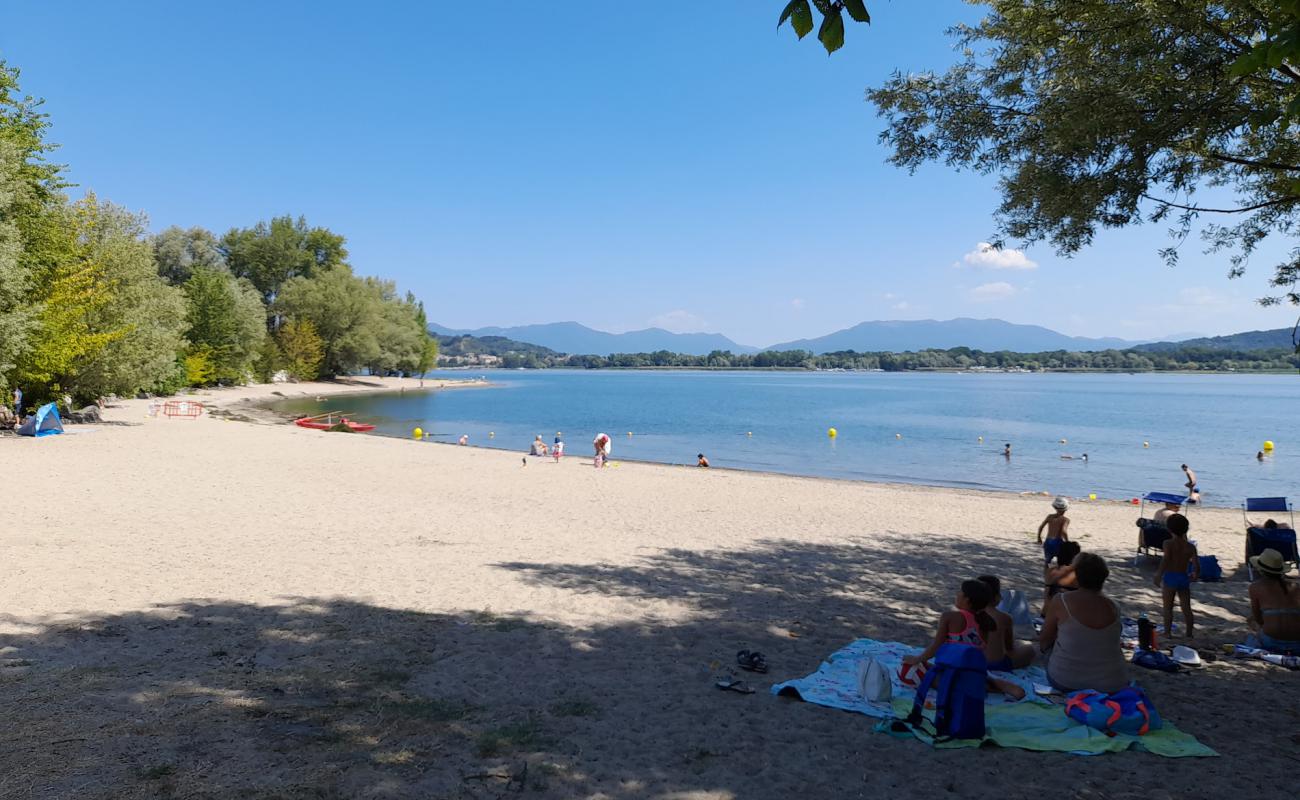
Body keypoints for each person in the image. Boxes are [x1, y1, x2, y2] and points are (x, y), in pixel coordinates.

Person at [902, 579, 1023, 700]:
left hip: (952, 670)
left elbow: (936, 646)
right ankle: (995, 683)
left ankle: (988, 686)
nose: (957, 594)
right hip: (975, 670)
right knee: (965, 673)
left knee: (917, 670)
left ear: (967, 600)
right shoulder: (984, 622)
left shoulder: (950, 617)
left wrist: (917, 659)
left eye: (960, 592)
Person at [1039, 552, 1128, 694]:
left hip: (1067, 681)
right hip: (1113, 683)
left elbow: (1044, 640)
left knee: (1046, 649)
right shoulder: (1114, 607)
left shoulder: (1061, 601)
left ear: (1077, 576)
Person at [977, 575, 1036, 672]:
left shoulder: (968, 614)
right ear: (997, 597)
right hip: (996, 664)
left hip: (972, 662)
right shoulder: (1004, 617)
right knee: (1030, 650)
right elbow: (1009, 648)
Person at [1154, 513, 1198, 639]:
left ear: (1169, 529)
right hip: (1183, 577)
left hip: (1170, 577)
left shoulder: (1168, 543)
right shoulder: (1190, 547)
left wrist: (1159, 574)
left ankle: (1167, 632)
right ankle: (1189, 633)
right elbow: (1196, 564)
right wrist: (1195, 575)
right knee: (1186, 608)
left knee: (1168, 607)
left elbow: (1166, 560)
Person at [1247, 549, 1300, 653]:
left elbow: (1258, 619)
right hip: (1297, 643)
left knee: (1251, 622)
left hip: (1272, 642)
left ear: (1261, 570)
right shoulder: (1297, 587)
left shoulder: (1255, 587)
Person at [1042, 540, 1082, 610]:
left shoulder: (1050, 571)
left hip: (1046, 613)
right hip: (1066, 614)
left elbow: (1047, 596)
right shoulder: (1078, 574)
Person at [1036, 497, 1071, 565]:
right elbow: (1064, 531)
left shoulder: (1049, 516)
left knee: (1047, 560)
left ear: (1055, 507)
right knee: (1061, 560)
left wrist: (1039, 538)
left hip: (1048, 541)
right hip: (1058, 541)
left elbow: (1041, 527)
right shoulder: (1065, 519)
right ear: (1065, 509)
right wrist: (1067, 542)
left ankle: (1046, 572)